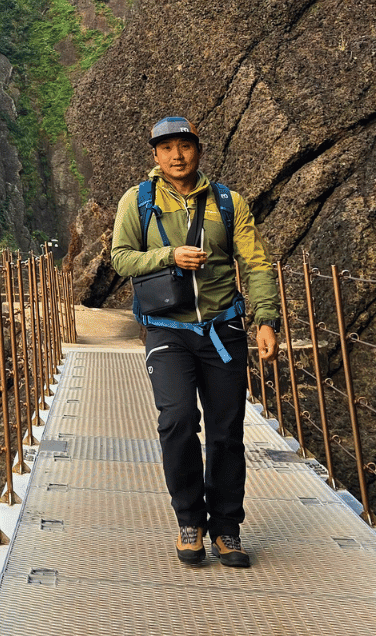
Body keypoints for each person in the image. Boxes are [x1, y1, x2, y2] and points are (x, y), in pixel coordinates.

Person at [110, 115, 280, 568]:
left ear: (198, 150)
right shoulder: (139, 201)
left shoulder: (227, 202)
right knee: (178, 420)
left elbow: (258, 263)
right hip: (168, 328)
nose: (177, 155)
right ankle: (190, 520)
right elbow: (121, 259)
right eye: (166, 148)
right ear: (155, 155)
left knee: (227, 432)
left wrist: (265, 320)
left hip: (223, 329)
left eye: (184, 146)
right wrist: (169, 255)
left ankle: (226, 528)